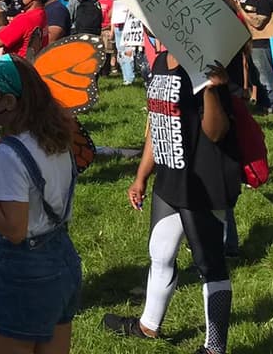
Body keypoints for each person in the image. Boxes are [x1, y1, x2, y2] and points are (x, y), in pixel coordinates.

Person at [101, 34, 240, 354]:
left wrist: (212, 88)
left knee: (210, 265)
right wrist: (141, 176)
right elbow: (158, 123)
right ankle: (148, 326)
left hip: (204, 181)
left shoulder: (209, 66)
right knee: (160, 253)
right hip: (170, 176)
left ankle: (215, 347)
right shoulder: (161, 62)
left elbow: (217, 132)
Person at [0, 55, 82, 354]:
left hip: (26, 268)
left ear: (9, 102)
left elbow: (14, 229)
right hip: (62, 255)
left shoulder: (10, 153)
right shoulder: (56, 137)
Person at [241, 0, 273, 114]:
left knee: (266, 75)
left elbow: (258, 23)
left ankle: (272, 104)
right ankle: (262, 103)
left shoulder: (265, 2)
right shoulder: (247, 1)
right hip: (250, 42)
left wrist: (241, 11)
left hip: (262, 43)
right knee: (256, 76)